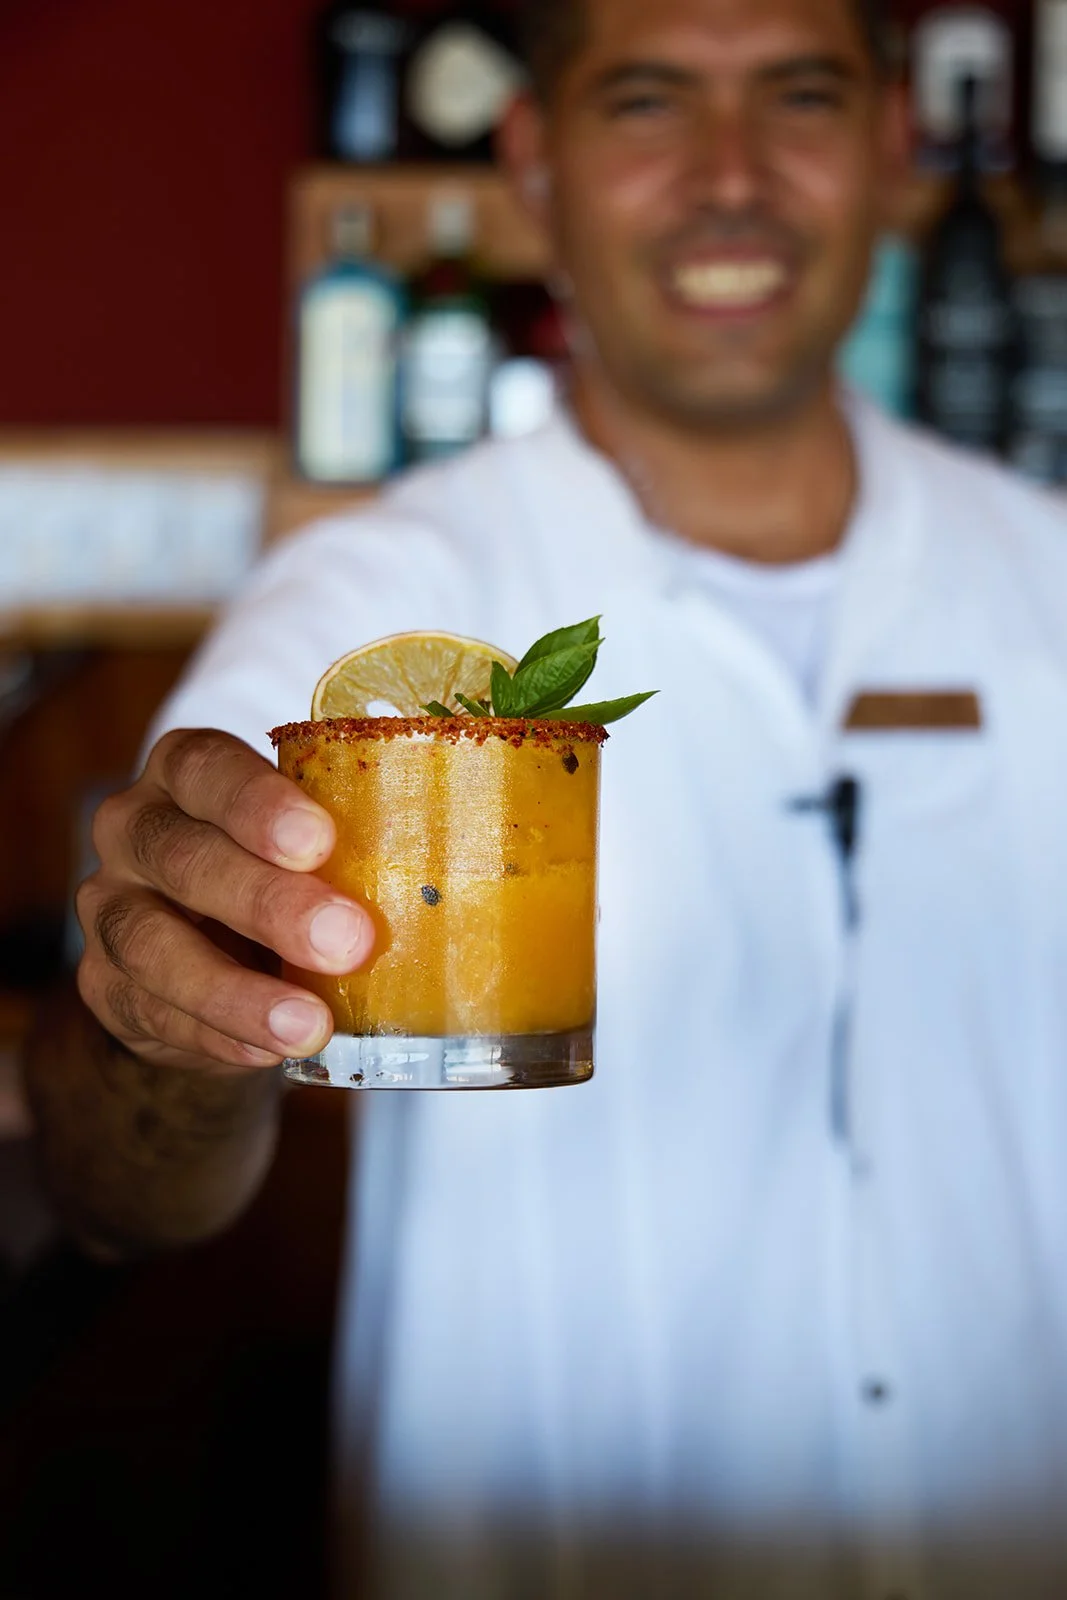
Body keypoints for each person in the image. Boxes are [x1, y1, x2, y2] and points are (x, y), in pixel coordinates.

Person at [23, 0, 1067, 1594]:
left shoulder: (1041, 569)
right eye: (648, 101)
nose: (729, 177)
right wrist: (164, 1014)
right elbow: (117, 1188)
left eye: (794, 95)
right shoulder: (374, 589)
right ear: (534, 161)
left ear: (887, 144)